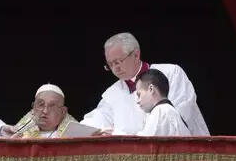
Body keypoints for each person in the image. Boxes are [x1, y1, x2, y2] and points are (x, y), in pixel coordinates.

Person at [81, 32, 210, 136]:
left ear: (136, 54)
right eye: (110, 65)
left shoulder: (171, 73)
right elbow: (97, 120)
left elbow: (178, 117)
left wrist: (119, 135)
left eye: (118, 62)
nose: (115, 68)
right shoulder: (111, 94)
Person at [134, 69, 190, 137]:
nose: (137, 101)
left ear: (151, 89)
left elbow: (143, 144)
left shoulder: (160, 111)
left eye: (139, 95)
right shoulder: (169, 111)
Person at [11, 83, 77, 138]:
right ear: (33, 107)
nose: (45, 111)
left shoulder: (75, 137)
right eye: (41, 105)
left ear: (63, 112)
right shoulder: (18, 136)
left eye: (52, 106)